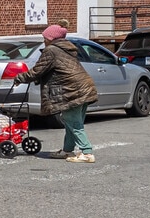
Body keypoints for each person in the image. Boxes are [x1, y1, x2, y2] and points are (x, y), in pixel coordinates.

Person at [11, 24, 98, 162]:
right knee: (70, 122)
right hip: (83, 87)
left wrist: (20, 78)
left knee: (74, 123)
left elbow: (38, 70)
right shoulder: (65, 49)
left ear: (51, 38)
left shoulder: (51, 50)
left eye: (45, 38)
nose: (44, 40)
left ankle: (87, 153)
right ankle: (67, 150)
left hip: (72, 90)